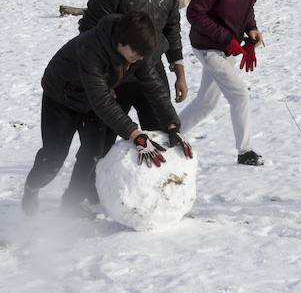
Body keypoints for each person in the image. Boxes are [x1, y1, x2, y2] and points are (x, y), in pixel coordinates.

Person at [21, 11, 192, 215]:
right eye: (136, 53)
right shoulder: (91, 48)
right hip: (62, 100)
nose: (139, 58)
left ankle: (72, 203)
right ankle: (32, 187)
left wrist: (172, 125)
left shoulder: (138, 53)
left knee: (94, 153)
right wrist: (136, 134)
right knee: (54, 156)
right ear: (122, 40)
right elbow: (101, 99)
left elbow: (154, 87)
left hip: (92, 103)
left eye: (142, 55)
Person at [79, 0, 188, 132]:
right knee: (98, 143)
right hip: (115, 75)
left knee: (161, 134)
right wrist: (103, 82)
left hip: (152, 70)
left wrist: (179, 73)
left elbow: (172, 29)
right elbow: (89, 33)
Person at [180, 0, 267, 167]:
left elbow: (248, 6)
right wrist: (226, 38)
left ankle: (173, 134)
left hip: (229, 47)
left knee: (206, 103)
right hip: (207, 47)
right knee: (239, 93)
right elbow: (194, 14)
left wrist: (252, 28)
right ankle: (245, 151)